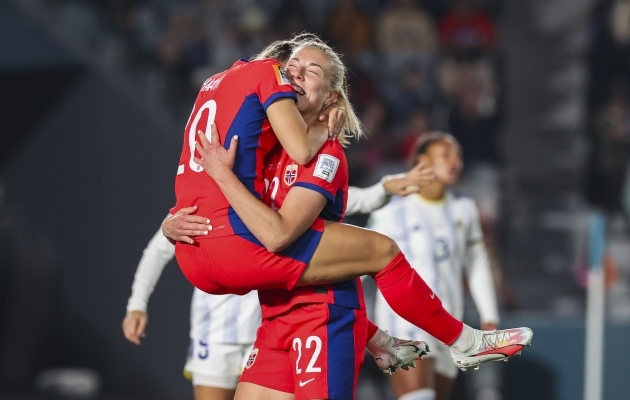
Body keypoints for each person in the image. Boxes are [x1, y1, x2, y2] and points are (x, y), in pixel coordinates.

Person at [171, 36, 532, 396]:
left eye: (311, 71)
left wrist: (223, 176)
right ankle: (454, 340)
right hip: (275, 318)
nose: (295, 74)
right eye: (291, 66)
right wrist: (171, 223)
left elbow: (280, 237)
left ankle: (463, 340)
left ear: (329, 96)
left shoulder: (324, 153)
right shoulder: (263, 148)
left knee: (383, 251)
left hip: (322, 323)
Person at [123, 36, 434, 400]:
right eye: (290, 75)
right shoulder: (251, 147)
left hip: (268, 317)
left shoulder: (267, 146)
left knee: (325, 258)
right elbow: (187, 224)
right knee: (340, 253)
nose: (294, 83)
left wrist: (382, 187)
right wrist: (162, 237)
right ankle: (388, 338)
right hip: (223, 320)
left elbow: (313, 211)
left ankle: (397, 338)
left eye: (307, 74)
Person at [369, 132, 500, 400]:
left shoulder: (464, 208)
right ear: (423, 160)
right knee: (420, 396)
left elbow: (476, 264)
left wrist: (489, 316)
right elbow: (361, 263)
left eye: (459, 156)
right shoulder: (390, 211)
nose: (455, 161)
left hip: (447, 325)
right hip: (401, 325)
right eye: (446, 155)